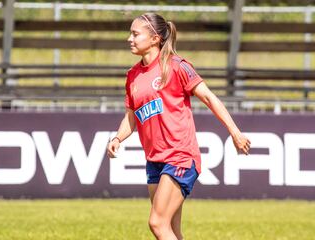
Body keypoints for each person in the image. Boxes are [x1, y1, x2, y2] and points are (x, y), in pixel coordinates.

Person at [107, 12, 251, 240]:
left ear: (155, 38)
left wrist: (235, 132)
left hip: (180, 157)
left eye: (135, 34)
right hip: (154, 160)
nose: (129, 39)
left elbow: (209, 98)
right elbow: (131, 117)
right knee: (171, 231)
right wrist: (117, 138)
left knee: (157, 223)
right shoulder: (133, 75)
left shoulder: (176, 66)